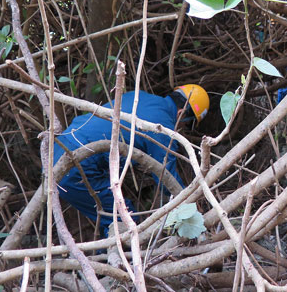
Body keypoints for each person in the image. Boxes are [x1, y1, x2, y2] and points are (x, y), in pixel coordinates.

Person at [54, 84, 209, 236]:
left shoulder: (139, 96)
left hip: (61, 145)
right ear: (181, 113)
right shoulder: (163, 127)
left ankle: (108, 252)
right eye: (186, 123)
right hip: (76, 166)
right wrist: (191, 207)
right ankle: (115, 259)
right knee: (125, 219)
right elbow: (165, 176)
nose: (182, 128)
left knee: (113, 215)